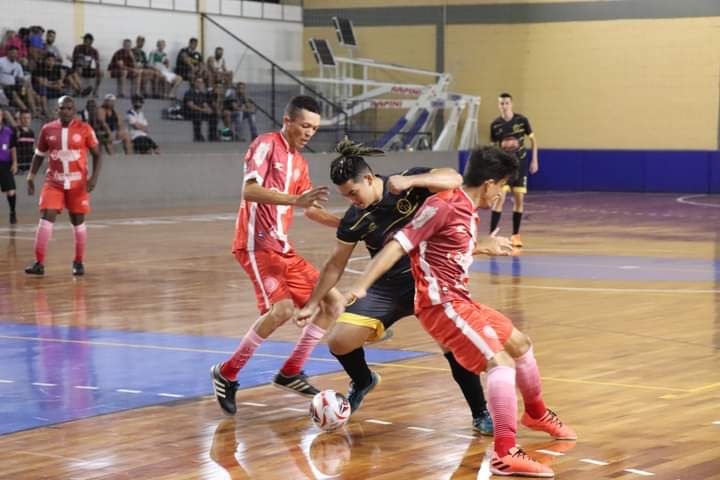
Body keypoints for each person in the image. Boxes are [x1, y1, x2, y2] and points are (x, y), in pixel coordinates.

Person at [345, 146, 575, 477]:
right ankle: (504, 453)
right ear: (490, 184)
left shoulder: (466, 208)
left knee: (520, 344)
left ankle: (536, 413)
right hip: (440, 305)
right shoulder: (442, 205)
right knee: (500, 364)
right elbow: (399, 244)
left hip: (461, 300)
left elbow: (445, 249)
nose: (501, 195)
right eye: (502, 188)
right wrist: (361, 284)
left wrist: (483, 247)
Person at [293, 139, 495, 433]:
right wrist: (312, 303)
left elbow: (454, 178)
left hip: (429, 279)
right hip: (386, 287)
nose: (352, 199)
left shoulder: (409, 182)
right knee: (339, 341)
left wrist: (413, 180)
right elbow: (335, 264)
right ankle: (363, 381)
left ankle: (480, 412)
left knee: (451, 345)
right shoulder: (354, 218)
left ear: (369, 178)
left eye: (353, 192)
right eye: (345, 196)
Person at [210, 95, 345, 415]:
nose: (310, 132)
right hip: (256, 245)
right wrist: (293, 201)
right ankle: (226, 373)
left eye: (314, 127)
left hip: (283, 249)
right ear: (288, 121)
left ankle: (291, 371)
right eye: (305, 125)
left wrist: (348, 224)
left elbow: (311, 210)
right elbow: (250, 191)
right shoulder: (265, 145)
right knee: (283, 309)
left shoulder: (300, 163)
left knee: (333, 301)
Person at [24, 96, 102, 276]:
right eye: (62, 108)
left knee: (77, 222)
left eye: (69, 108)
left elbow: (98, 154)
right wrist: (31, 176)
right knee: (45, 218)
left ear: (74, 111)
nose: (65, 111)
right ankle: (39, 263)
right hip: (54, 182)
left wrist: (93, 179)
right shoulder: (47, 129)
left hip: (77, 184)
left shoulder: (85, 129)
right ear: (57, 110)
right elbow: (39, 155)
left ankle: (78, 261)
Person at [489, 92, 538, 248]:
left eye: (507, 103)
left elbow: (533, 141)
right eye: (501, 103)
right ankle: (491, 236)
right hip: (503, 168)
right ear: (499, 105)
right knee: (499, 199)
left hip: (520, 165)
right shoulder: (495, 125)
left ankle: (515, 235)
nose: (504, 106)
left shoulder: (522, 120)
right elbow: (493, 147)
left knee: (519, 200)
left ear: (511, 104)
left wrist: (534, 160)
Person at [183, 78, 218, 142]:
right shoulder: (189, 92)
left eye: (201, 82)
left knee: (214, 114)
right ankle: (198, 135)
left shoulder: (202, 94)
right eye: (198, 82)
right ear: (195, 83)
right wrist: (203, 110)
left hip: (200, 111)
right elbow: (191, 105)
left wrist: (208, 109)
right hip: (189, 112)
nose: (200, 84)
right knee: (197, 114)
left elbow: (205, 104)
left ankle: (213, 135)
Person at [71, 34, 103, 98]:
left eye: (88, 40)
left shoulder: (94, 51)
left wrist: (96, 66)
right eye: (85, 40)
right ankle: (79, 90)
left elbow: (97, 63)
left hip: (90, 69)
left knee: (101, 73)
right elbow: (75, 60)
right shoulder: (77, 48)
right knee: (78, 69)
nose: (86, 41)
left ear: (91, 42)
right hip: (79, 67)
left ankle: (95, 91)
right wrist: (81, 63)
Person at [0, 110, 18, 224]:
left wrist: (15, 162)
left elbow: (12, 148)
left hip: (5, 164)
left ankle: (12, 212)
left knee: (11, 191)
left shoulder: (8, 131)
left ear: (1, 116)